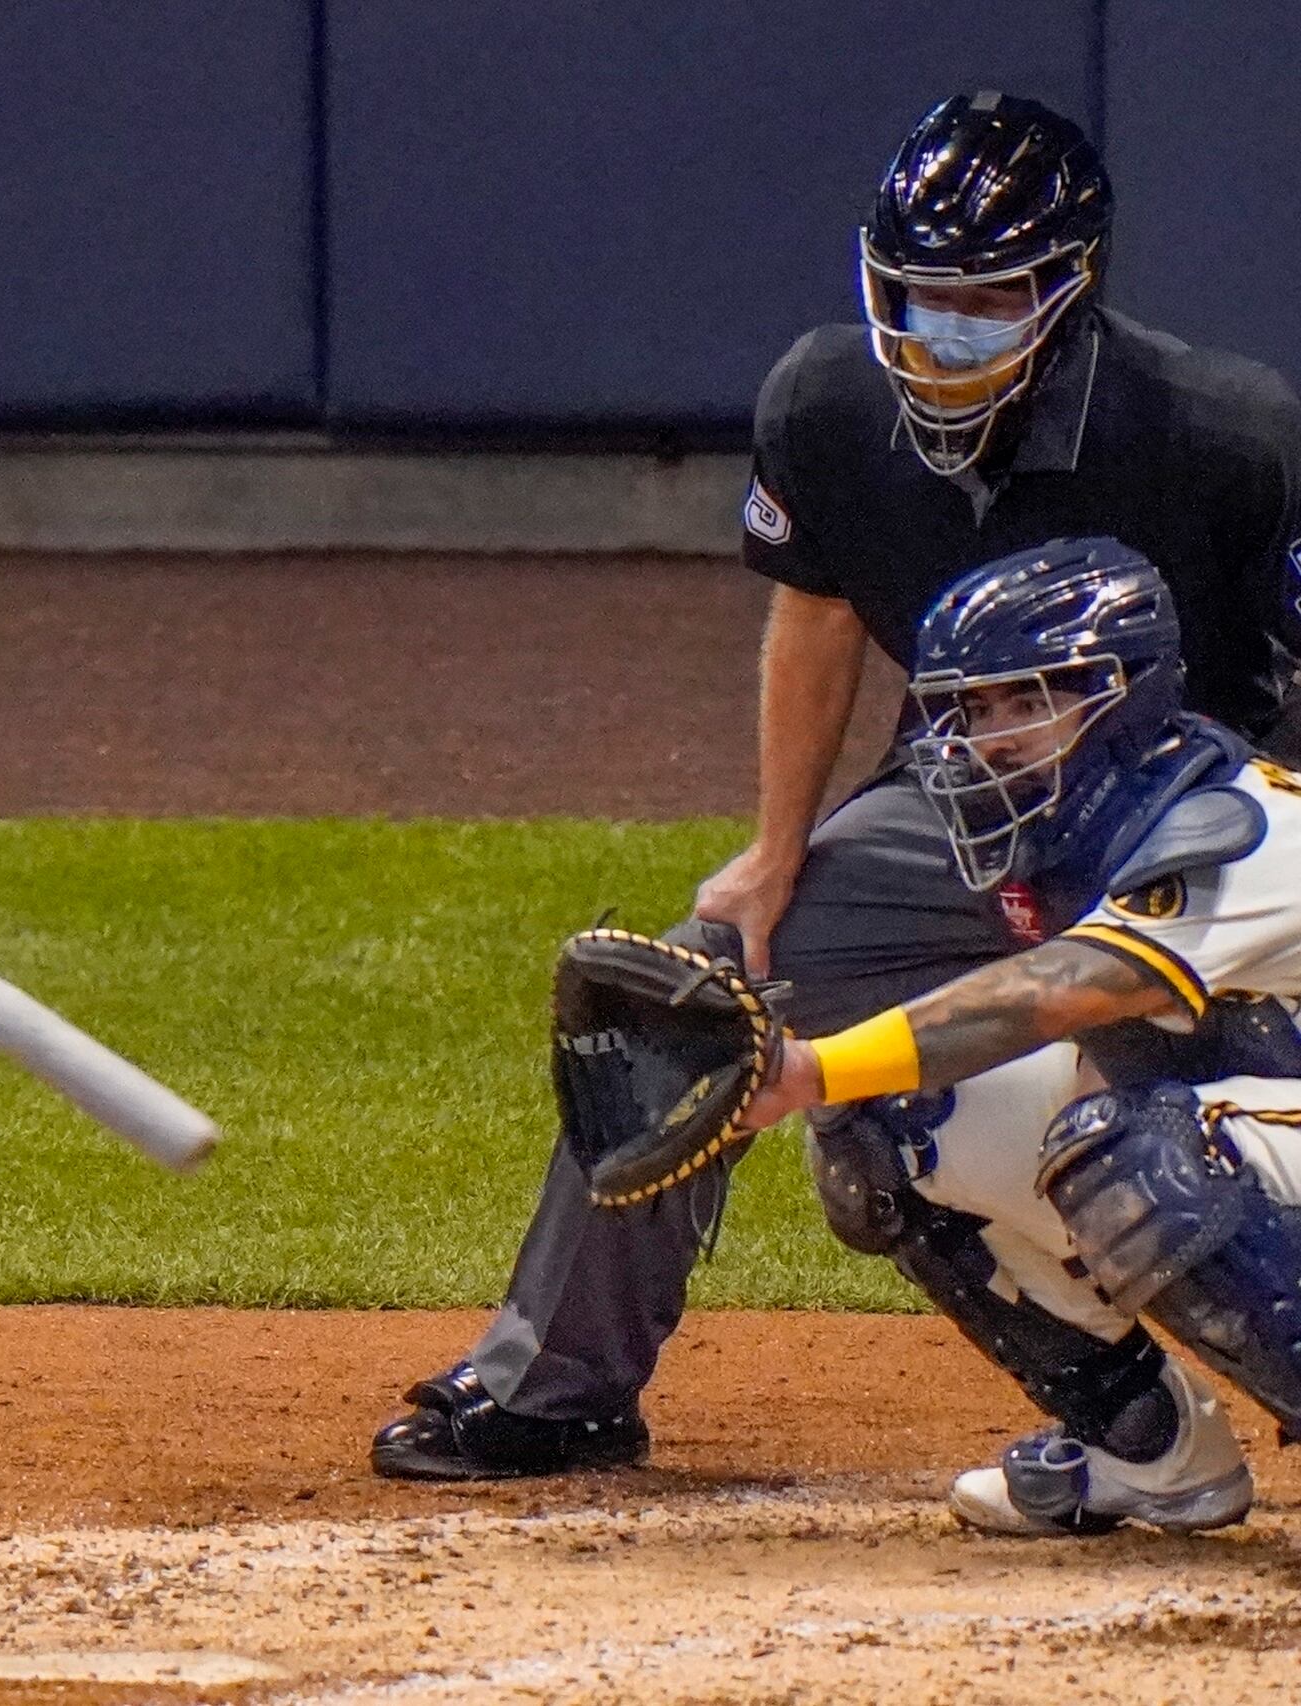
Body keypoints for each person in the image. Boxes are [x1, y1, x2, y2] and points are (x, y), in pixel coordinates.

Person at [374, 91, 1301, 1482]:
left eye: (983, 297)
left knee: (1159, 1137)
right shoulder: (825, 406)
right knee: (715, 994)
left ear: (1071, 284)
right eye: (917, 296)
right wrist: (773, 851)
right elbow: (813, 617)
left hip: (1176, 810)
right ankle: (555, 1385)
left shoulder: (1224, 434)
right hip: (966, 812)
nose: (943, 332)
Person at [740, 535, 1301, 1534]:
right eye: (973, 709)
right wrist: (836, 1083)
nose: (991, 738)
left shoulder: (1235, 825)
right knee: (894, 1121)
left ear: (1120, 691)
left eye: (1026, 700)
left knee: (1149, 1159)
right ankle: (1150, 1451)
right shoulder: (1080, 834)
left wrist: (808, 1065)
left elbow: (1060, 992)